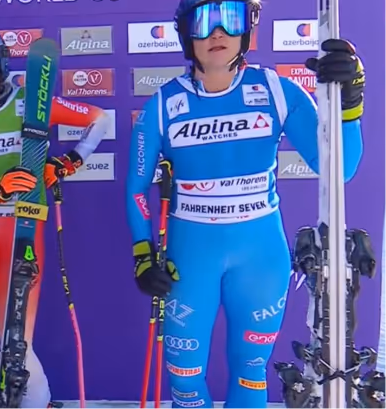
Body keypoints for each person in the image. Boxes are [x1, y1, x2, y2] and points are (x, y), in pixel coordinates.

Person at [124, 0, 365, 407]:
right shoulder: (162, 106)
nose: (217, 33)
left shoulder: (276, 91)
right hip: (191, 261)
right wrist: (143, 255)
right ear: (186, 34)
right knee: (185, 379)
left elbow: (340, 169)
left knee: (250, 373)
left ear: (247, 28)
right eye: (204, 22)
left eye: (230, 18)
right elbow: (136, 189)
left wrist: (349, 106)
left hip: (260, 259)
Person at [0, 27, 114, 409]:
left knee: (17, 331)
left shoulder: (30, 102)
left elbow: (99, 119)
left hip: (22, 225)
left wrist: (70, 161)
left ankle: (37, 402)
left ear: (2, 61)